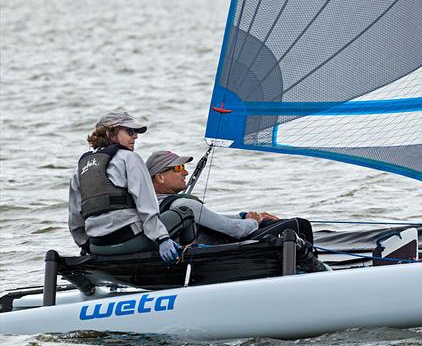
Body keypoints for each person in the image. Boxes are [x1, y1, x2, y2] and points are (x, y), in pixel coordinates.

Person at [68, 111, 181, 263]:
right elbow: (147, 206)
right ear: (111, 133)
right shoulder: (130, 158)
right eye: (130, 131)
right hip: (130, 242)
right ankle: (186, 255)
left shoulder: (80, 169)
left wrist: (86, 246)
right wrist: (162, 239)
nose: (135, 136)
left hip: (98, 247)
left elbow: (75, 220)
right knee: (185, 213)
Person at [146, 150, 314, 245]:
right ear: (160, 177)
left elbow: (212, 218)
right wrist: (253, 222)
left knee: (269, 222)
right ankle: (313, 272)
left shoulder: (151, 205)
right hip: (226, 249)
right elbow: (236, 230)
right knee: (299, 224)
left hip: (215, 244)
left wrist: (248, 216)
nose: (186, 172)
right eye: (178, 168)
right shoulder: (183, 204)